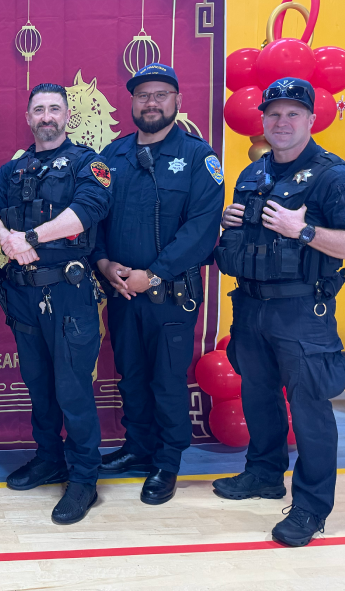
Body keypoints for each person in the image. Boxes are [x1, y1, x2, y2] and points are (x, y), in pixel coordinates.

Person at [212, 77, 345, 547]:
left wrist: (304, 230)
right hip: (251, 305)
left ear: (311, 119)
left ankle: (311, 508)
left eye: (293, 113)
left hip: (302, 311)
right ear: (263, 120)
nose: (282, 122)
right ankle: (264, 474)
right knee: (258, 396)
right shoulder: (254, 173)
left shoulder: (338, 178)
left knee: (310, 409)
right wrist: (233, 222)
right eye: (274, 114)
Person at [0, 82, 112, 525]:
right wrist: (6, 238)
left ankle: (84, 477)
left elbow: (88, 209)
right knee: (38, 384)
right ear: (29, 117)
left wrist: (30, 237)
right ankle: (50, 458)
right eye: (39, 109)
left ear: (67, 116)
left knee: (73, 387)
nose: (47, 116)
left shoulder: (88, 163)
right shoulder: (14, 170)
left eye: (54, 109)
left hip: (68, 294)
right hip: (24, 295)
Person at [92, 63, 224, 505]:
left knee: (166, 381)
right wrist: (104, 263)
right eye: (143, 95)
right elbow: (94, 216)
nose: (151, 103)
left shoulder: (198, 157)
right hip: (122, 291)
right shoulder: (113, 155)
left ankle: (167, 461)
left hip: (170, 294)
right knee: (131, 376)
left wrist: (153, 274)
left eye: (160, 94)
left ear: (177, 101)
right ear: (132, 102)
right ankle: (138, 448)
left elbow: (201, 229)